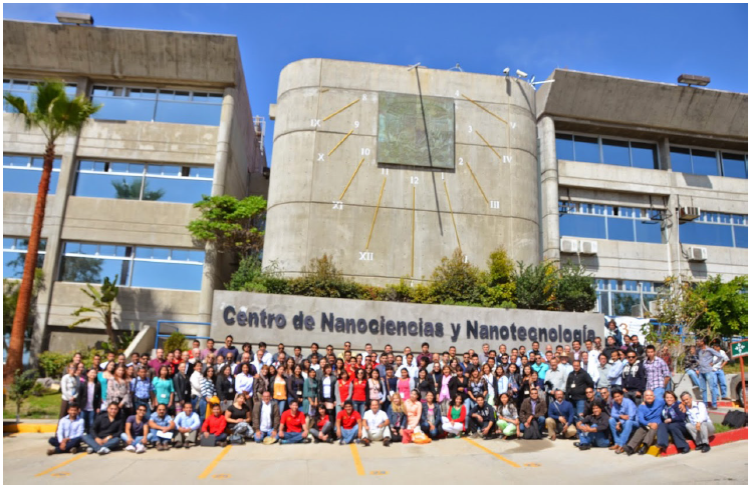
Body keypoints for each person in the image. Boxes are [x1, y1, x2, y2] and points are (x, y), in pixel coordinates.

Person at [623, 389, 665, 455]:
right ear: (644, 397)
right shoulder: (641, 407)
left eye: (651, 395)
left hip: (658, 424)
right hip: (647, 423)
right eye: (647, 395)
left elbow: (671, 400)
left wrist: (681, 404)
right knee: (641, 430)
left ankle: (645, 446)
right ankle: (630, 447)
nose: (649, 397)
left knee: (653, 427)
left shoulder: (660, 402)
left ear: (654, 397)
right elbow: (641, 419)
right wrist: (648, 424)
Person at [655, 391, 690, 455]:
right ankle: (662, 443)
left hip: (681, 426)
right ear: (665, 399)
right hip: (671, 426)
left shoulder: (678, 405)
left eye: (671, 397)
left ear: (674, 398)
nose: (669, 399)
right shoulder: (665, 407)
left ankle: (684, 446)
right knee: (662, 424)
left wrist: (671, 420)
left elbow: (682, 418)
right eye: (667, 397)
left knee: (672, 426)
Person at [609, 388, 638, 454]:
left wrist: (620, 422)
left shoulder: (629, 402)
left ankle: (622, 445)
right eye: (615, 397)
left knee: (628, 422)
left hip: (634, 423)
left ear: (622, 395)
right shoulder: (615, 403)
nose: (617, 398)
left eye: (618, 396)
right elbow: (613, 414)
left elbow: (631, 417)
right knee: (611, 420)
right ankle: (617, 443)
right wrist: (620, 416)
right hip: (624, 421)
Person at [78, 368, 101, 433]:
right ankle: (82, 435)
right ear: (87, 374)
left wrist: (98, 407)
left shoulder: (97, 384)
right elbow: (80, 396)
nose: (93, 374)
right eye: (91, 372)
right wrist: (79, 407)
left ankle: (91, 434)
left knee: (91, 422)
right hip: (83, 406)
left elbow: (99, 397)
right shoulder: (83, 384)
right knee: (82, 421)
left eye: (94, 373)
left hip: (92, 407)